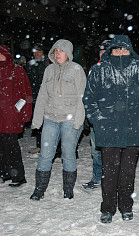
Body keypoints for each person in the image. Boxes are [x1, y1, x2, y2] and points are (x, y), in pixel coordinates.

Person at [84, 35, 139, 224]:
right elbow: (89, 99)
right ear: (111, 51)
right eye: (116, 49)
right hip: (108, 129)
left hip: (134, 129)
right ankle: (108, 207)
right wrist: (98, 120)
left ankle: (126, 206)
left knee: (128, 171)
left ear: (130, 50)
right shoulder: (99, 70)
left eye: (123, 49)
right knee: (109, 172)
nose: (120, 53)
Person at [30, 39, 86, 200]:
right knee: (45, 155)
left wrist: (78, 121)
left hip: (70, 119)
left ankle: (68, 190)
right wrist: (37, 119)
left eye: (61, 51)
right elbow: (42, 95)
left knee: (68, 155)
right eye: (55, 51)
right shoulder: (49, 70)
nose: (57, 54)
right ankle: (39, 190)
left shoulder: (76, 69)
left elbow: (82, 97)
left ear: (68, 53)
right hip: (50, 119)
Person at [0, 45, 33, 186]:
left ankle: (18, 176)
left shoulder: (16, 70)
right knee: (1, 147)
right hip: (1, 115)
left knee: (11, 146)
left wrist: (17, 110)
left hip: (10, 117)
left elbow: (25, 93)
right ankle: (5, 173)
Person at [82, 39, 111, 190]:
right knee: (96, 149)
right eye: (100, 51)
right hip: (97, 117)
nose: (103, 54)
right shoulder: (94, 69)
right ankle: (97, 177)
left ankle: (112, 179)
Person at [26, 43, 49, 154]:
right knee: (38, 123)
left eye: (38, 51)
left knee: (49, 123)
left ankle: (50, 145)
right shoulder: (30, 65)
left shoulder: (48, 64)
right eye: (34, 52)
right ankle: (40, 145)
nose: (36, 54)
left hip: (48, 98)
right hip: (35, 98)